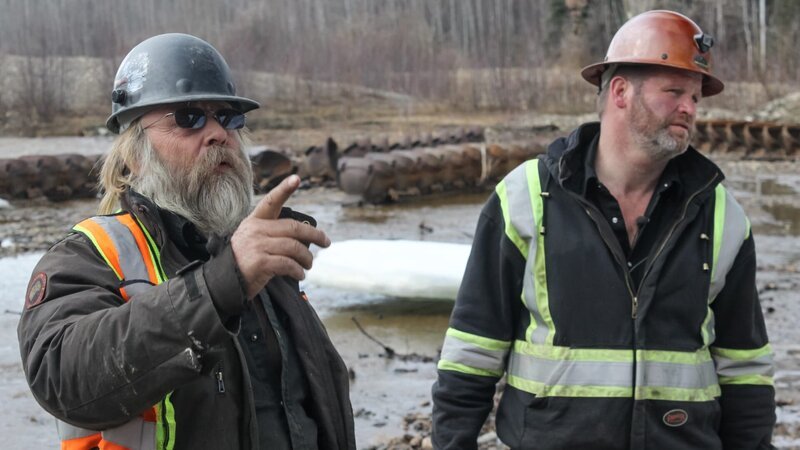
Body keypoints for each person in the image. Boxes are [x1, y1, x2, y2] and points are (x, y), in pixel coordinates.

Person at [432, 10, 775, 450]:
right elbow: (472, 353)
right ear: (619, 92)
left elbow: (744, 369)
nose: (689, 108)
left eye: (695, 97)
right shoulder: (525, 198)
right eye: (674, 92)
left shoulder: (721, 215)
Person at [17, 33, 355, 450]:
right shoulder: (91, 257)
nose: (217, 133)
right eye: (189, 118)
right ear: (134, 155)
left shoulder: (258, 253)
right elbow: (62, 377)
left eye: (228, 117)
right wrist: (220, 286)